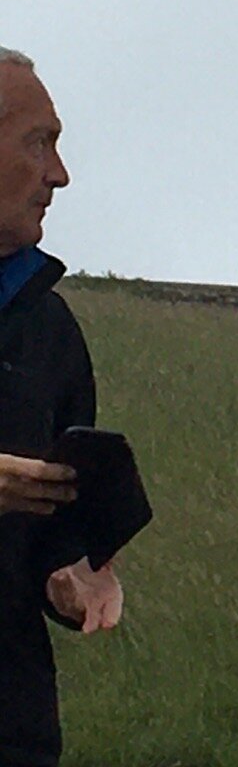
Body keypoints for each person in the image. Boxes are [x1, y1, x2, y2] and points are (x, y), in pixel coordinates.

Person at [0, 50, 121, 767]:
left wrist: (69, 573)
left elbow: (54, 531)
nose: (59, 174)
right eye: (37, 141)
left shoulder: (52, 332)